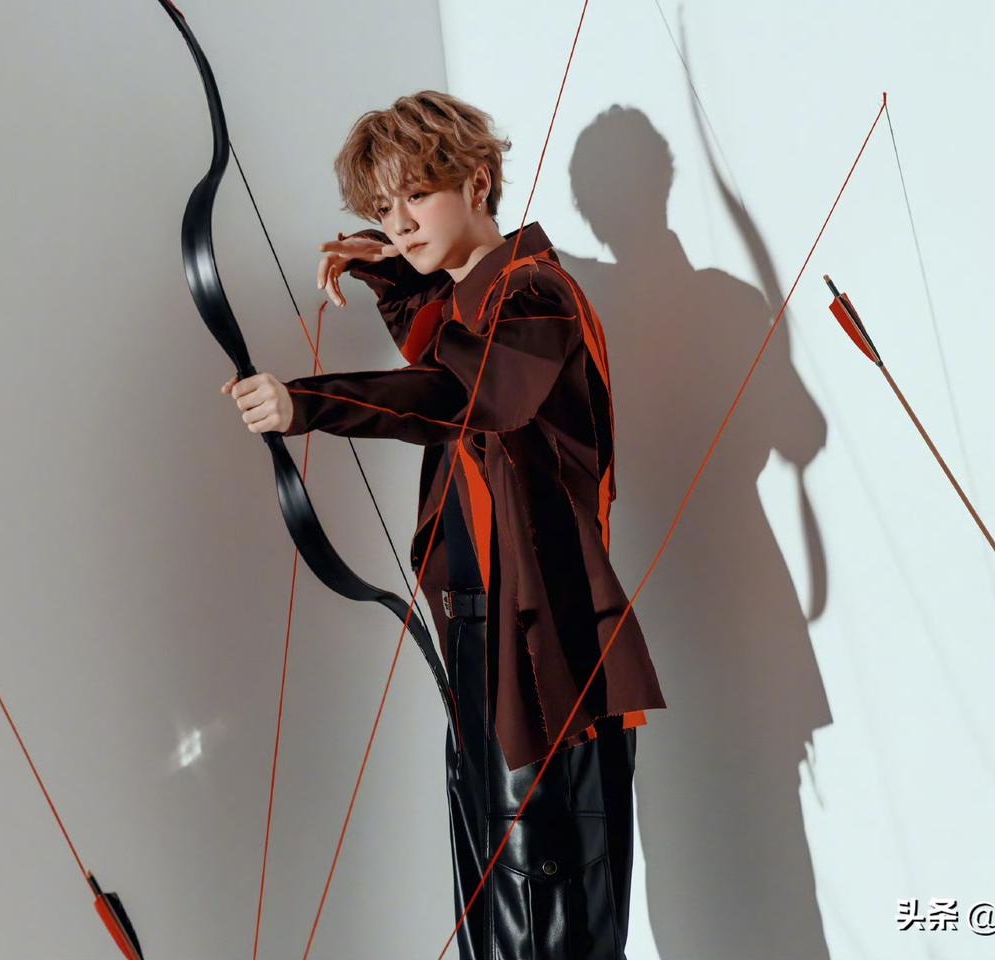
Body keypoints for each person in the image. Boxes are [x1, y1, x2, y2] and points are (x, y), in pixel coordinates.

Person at [219, 91, 665, 960]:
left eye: (417, 196)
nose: (399, 222)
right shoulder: (480, 305)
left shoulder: (538, 295)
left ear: (478, 183)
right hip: (482, 642)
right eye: (383, 208)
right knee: (492, 912)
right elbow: (443, 346)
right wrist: (390, 268)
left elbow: (456, 391)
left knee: (548, 910)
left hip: (543, 653)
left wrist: (306, 403)